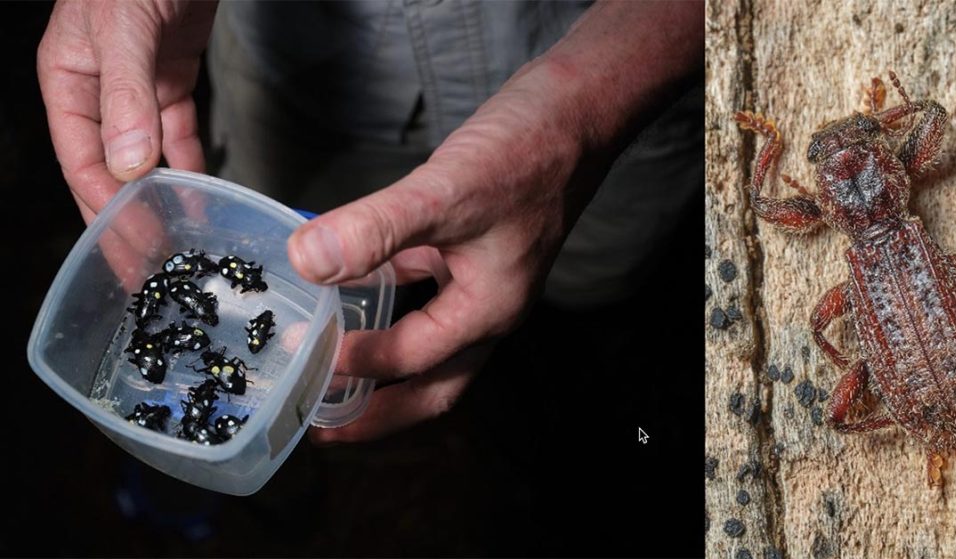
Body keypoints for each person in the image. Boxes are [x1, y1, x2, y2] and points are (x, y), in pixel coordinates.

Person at [37, 0, 702, 443]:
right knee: (283, 251)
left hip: (614, 75)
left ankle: (568, 393)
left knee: (590, 280)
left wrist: (592, 101)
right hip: (303, 66)